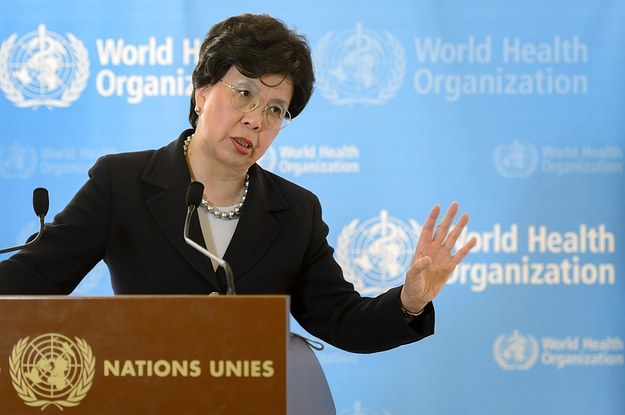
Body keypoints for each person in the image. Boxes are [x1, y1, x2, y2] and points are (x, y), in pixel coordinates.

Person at [0, 13, 476, 353]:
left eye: (275, 110)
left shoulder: (296, 211)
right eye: (244, 93)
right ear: (202, 91)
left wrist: (409, 302)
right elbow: (32, 280)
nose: (255, 119)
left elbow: (342, 320)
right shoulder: (121, 183)